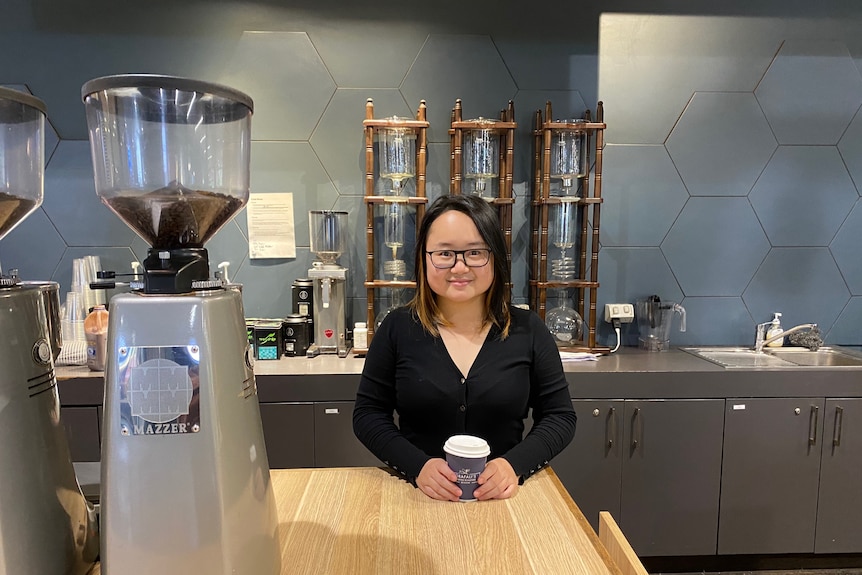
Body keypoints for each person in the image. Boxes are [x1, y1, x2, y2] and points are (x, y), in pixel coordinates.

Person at [353, 194, 576, 502]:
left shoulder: (529, 330)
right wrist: (418, 467)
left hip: (502, 500)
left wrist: (514, 466)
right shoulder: (397, 328)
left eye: (475, 252)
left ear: (494, 257)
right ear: (424, 258)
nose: (459, 267)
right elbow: (368, 415)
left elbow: (560, 417)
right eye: (444, 253)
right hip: (420, 497)